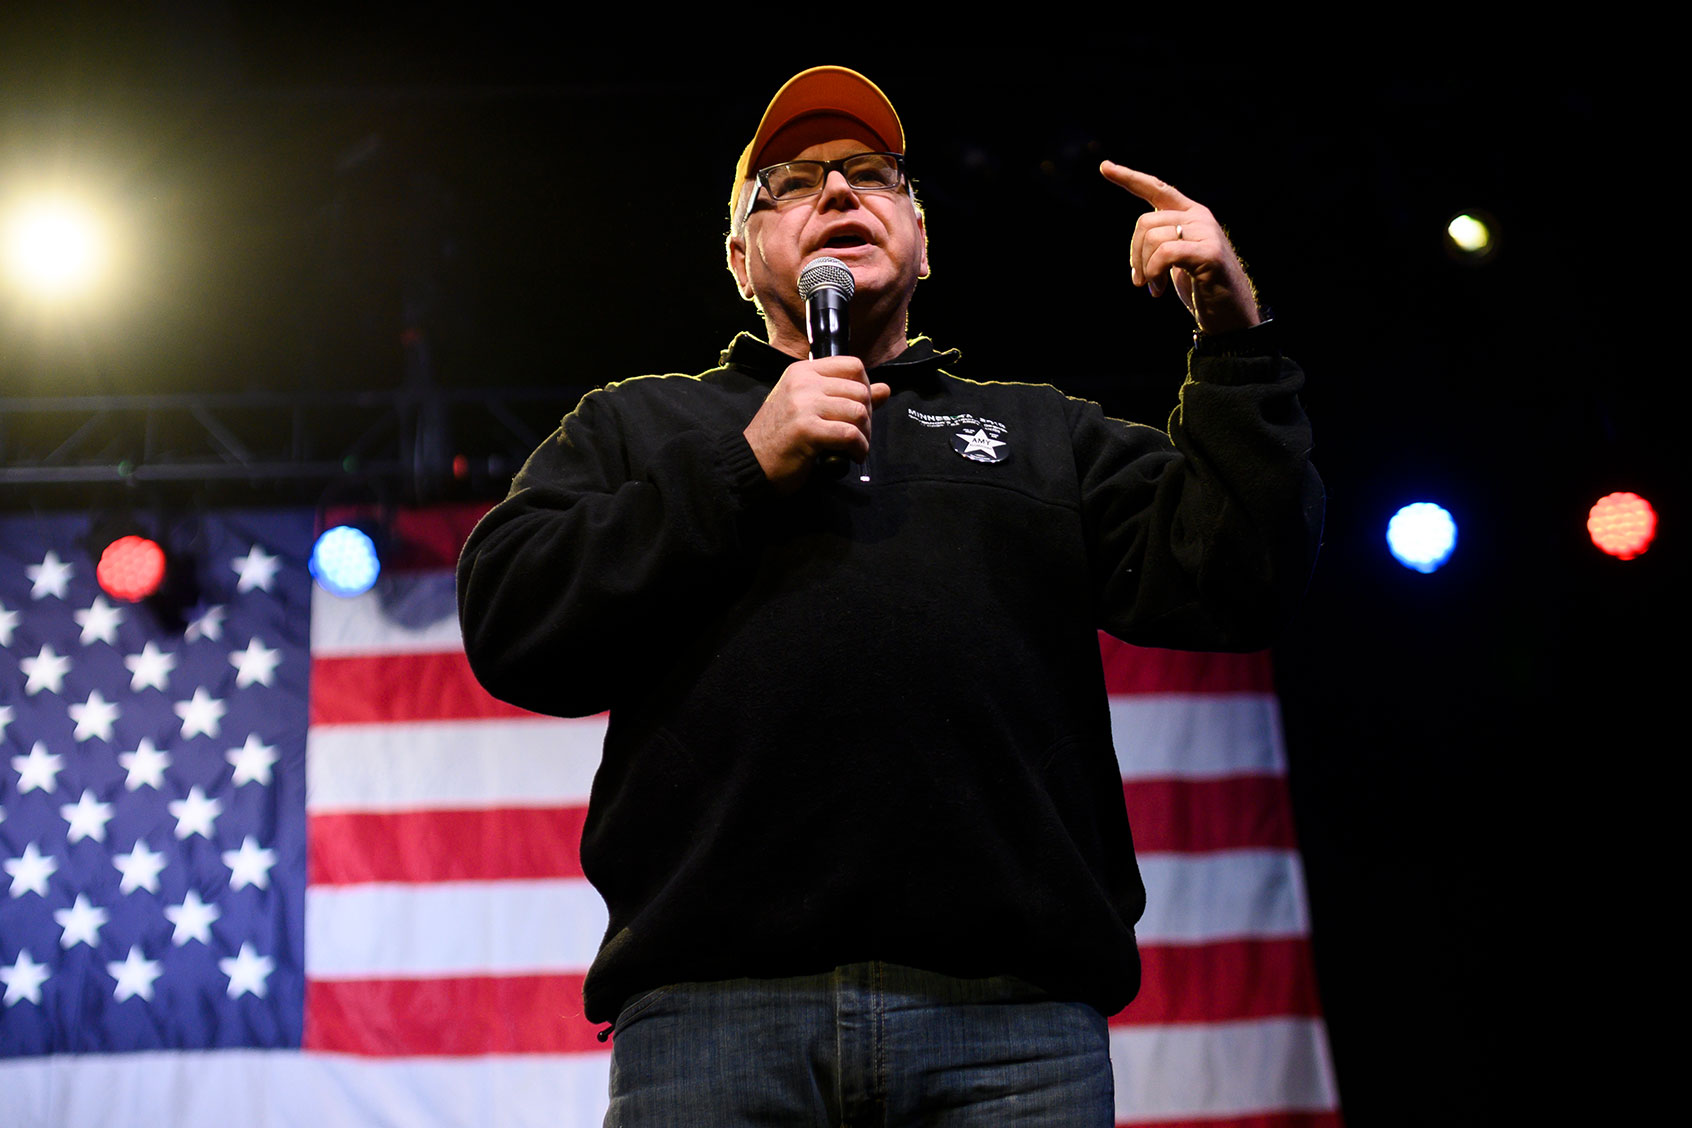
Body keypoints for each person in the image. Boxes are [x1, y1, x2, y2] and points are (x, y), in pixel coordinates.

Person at [457, 66, 1323, 1126]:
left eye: (871, 175)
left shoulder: (1041, 432)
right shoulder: (639, 428)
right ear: (740, 259)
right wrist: (746, 464)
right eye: (790, 182)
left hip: (1015, 1029)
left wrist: (1234, 341)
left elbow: (1244, 580)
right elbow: (512, 623)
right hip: (713, 1024)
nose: (836, 193)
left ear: (922, 240)